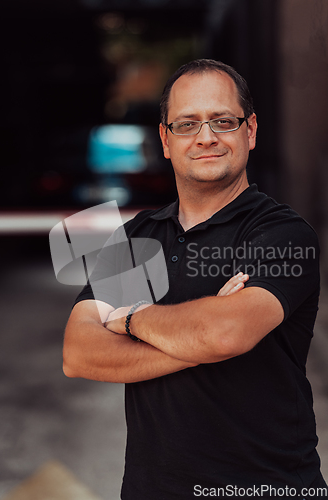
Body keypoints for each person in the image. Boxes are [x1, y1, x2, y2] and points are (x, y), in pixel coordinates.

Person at [63, 59, 327, 499]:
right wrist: (197, 340)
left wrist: (130, 319)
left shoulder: (281, 233)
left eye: (223, 121)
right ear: (166, 140)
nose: (206, 137)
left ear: (251, 131)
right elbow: (79, 354)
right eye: (187, 124)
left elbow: (225, 333)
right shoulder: (136, 237)